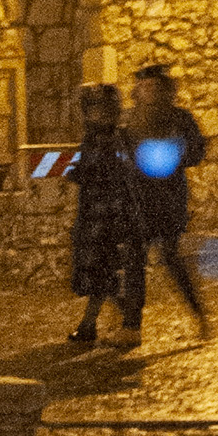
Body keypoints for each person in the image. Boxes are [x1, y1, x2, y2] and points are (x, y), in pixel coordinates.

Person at [128, 62, 212, 338]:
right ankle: (131, 325)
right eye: (144, 86)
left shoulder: (180, 119)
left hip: (168, 199)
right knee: (133, 260)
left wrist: (171, 157)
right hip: (136, 199)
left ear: (165, 90)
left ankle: (199, 316)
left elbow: (196, 151)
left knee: (171, 257)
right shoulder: (130, 120)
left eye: (154, 86)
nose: (148, 91)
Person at [66, 82, 145, 349]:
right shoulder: (97, 138)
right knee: (100, 272)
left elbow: (108, 173)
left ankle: (118, 321)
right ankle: (92, 324)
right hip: (95, 214)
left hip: (109, 217)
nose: (93, 115)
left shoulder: (113, 139)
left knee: (102, 271)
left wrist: (78, 171)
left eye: (98, 109)